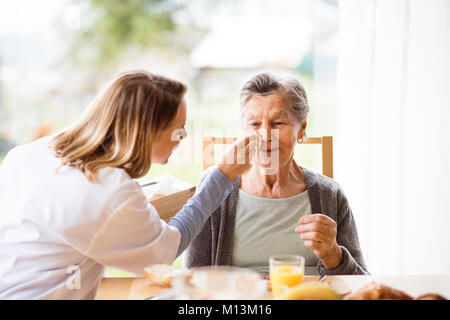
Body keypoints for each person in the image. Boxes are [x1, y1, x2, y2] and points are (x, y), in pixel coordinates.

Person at [0, 70, 257, 299]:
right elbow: (164, 252)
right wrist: (221, 176)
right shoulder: (108, 190)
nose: (184, 136)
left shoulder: (28, 154)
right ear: (146, 133)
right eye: (178, 130)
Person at [184, 72, 369, 276]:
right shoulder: (216, 186)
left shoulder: (330, 194)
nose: (265, 135)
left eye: (278, 124)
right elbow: (192, 279)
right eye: (254, 125)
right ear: (242, 129)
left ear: (302, 128)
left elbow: (362, 287)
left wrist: (334, 255)